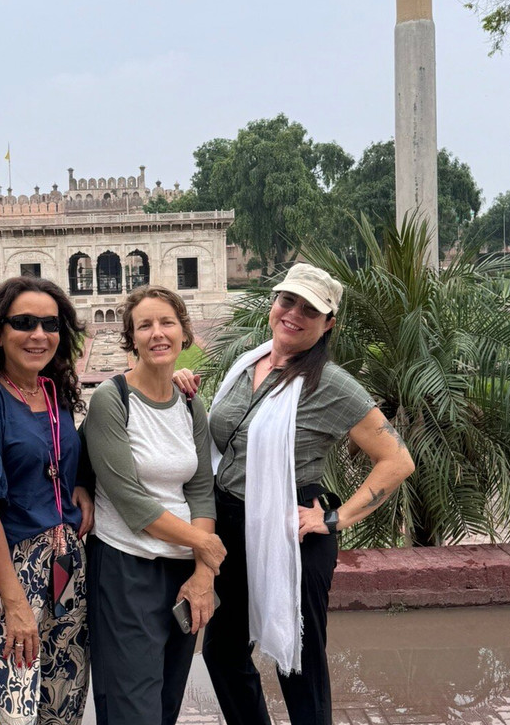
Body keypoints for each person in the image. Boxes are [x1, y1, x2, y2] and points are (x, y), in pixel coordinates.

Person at [175, 263, 414, 725]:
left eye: (310, 310)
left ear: (328, 324)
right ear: (274, 303)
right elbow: (223, 437)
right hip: (230, 527)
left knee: (298, 666)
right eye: (288, 300)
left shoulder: (331, 383)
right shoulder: (249, 362)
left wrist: (335, 518)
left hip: (290, 531)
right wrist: (187, 392)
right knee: (223, 654)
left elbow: (397, 460)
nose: (294, 314)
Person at [82, 285, 224, 725]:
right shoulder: (112, 399)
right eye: (145, 325)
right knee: (131, 706)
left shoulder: (190, 404)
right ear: (132, 338)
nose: (157, 333)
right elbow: (131, 501)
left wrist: (203, 571)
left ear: (184, 332)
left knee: (165, 703)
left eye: (167, 322)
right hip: (127, 568)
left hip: (183, 573)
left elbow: (200, 489)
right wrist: (207, 544)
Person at [0, 276, 94, 725]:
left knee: (64, 698)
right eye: (24, 322)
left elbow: (58, 456)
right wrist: (15, 603)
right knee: (15, 706)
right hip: (14, 569)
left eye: (50, 324)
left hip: (68, 565)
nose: (39, 334)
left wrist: (78, 484)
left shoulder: (54, 391)